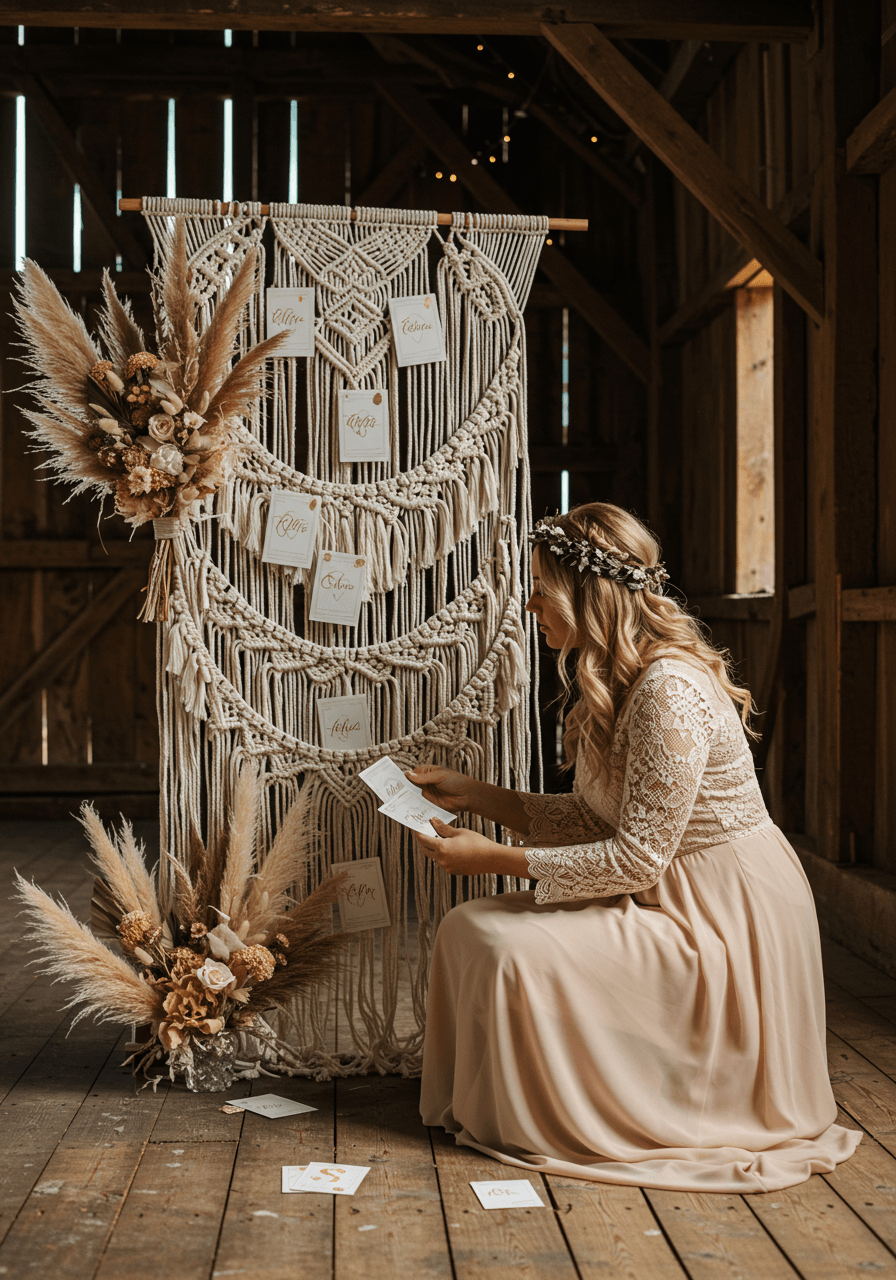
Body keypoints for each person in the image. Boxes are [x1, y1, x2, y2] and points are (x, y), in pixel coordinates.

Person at [408, 502, 861, 1193]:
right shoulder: (617, 679)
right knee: (467, 928)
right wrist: (481, 796)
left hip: (720, 919)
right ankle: (517, 1109)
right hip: (666, 888)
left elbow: (634, 859)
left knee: (506, 950)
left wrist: (494, 857)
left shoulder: (668, 691)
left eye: (540, 587)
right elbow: (601, 820)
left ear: (586, 595)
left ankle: (559, 1119)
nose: (529, 603)